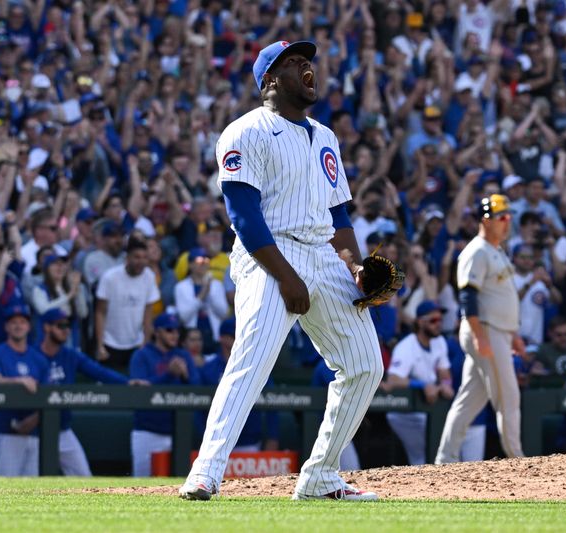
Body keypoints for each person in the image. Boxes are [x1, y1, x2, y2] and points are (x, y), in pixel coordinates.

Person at [180, 40, 383, 502]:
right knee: (251, 361)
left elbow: (339, 216)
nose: (307, 68)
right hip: (269, 254)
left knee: (365, 365)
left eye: (308, 61)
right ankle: (206, 472)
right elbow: (245, 216)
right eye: (294, 63)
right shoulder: (244, 131)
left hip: (322, 254)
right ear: (269, 79)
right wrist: (287, 278)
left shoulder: (325, 136)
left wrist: (353, 266)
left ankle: (320, 476)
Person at [435, 194, 525, 463]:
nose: (507, 223)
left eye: (509, 217)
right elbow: (468, 298)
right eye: (502, 218)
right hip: (485, 331)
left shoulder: (495, 250)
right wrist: (479, 336)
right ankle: (517, 458)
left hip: (497, 331)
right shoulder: (476, 251)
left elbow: (500, 297)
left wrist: (514, 334)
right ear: (486, 220)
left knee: (469, 400)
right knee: (508, 396)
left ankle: (445, 458)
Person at [38, 308, 142, 476]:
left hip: (62, 428)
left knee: (83, 477)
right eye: (60, 325)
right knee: (23, 479)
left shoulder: (70, 355)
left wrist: (127, 382)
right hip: (33, 430)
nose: (66, 330)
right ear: (46, 327)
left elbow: (99, 372)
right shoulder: (34, 354)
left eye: (68, 326)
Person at [382, 301, 455, 465]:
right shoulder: (407, 346)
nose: (438, 324)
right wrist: (422, 385)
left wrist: (446, 383)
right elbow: (393, 379)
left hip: (425, 410)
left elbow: (445, 372)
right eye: (433, 321)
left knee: (434, 453)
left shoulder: (439, 341)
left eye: (440, 320)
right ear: (420, 322)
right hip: (402, 414)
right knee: (423, 457)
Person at [129, 312, 199, 477]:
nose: (174, 334)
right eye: (169, 330)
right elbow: (139, 391)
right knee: (140, 483)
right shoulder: (142, 355)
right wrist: (168, 374)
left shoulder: (183, 355)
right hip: (147, 430)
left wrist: (184, 375)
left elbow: (197, 388)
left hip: (178, 431)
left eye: (177, 331)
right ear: (157, 332)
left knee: (180, 482)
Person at [0, 304, 49, 476]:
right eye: (13, 322)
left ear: (28, 326)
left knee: (31, 493)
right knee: (7, 490)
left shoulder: (38, 358)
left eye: (22, 322)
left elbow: (48, 396)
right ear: (6, 327)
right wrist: (19, 380)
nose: (18, 326)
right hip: (5, 430)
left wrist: (31, 422)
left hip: (33, 432)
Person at [197, 318, 280, 453]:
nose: (239, 339)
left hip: (250, 441)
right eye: (233, 336)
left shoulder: (257, 366)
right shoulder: (209, 369)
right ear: (222, 338)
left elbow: (273, 402)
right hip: (216, 443)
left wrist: (273, 437)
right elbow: (197, 407)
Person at [95, 238, 160, 368]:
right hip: (110, 342)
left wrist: (145, 343)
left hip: (136, 343)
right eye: (136, 257)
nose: (141, 262)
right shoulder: (110, 277)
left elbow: (148, 314)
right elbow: (100, 312)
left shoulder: (149, 277)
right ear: (127, 258)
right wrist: (100, 345)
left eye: (144, 258)